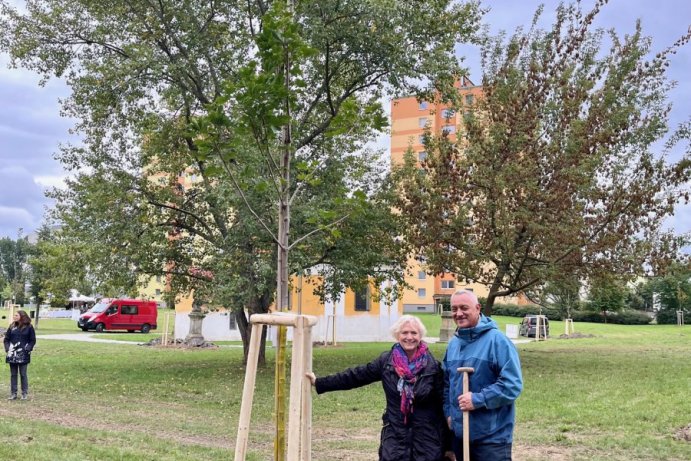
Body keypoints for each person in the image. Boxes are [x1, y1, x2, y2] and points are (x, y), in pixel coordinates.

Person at [307, 315, 451, 461]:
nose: (409, 337)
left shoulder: (432, 367)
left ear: (420, 336)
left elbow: (444, 405)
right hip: (395, 438)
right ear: (397, 335)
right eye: (404, 332)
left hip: (426, 440)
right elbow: (355, 376)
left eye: (414, 333)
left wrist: (449, 447)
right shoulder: (386, 362)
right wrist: (320, 382)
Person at [443, 290, 523, 461]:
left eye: (464, 308)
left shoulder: (498, 341)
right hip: (460, 435)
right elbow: (446, 383)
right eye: (454, 308)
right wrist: (448, 413)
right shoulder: (453, 344)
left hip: (491, 439)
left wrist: (478, 399)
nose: (459, 313)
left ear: (478, 308)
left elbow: (512, 385)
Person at [4, 310, 37, 400]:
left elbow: (32, 340)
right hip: (12, 354)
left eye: (16, 315)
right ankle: (13, 393)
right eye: (14, 315)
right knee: (13, 374)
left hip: (23, 354)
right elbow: (6, 339)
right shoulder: (12, 326)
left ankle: (24, 393)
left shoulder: (29, 327)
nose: (14, 317)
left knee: (23, 374)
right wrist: (7, 349)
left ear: (22, 316)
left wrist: (28, 348)